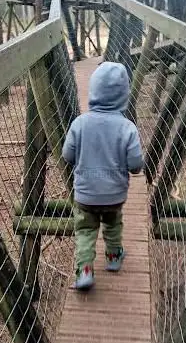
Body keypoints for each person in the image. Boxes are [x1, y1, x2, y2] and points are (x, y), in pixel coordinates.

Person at [62, 61, 144, 290]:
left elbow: (67, 155)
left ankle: (85, 270)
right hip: (114, 196)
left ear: (93, 91)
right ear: (124, 96)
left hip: (85, 196)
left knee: (86, 231)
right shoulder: (127, 127)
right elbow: (136, 165)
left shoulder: (80, 123)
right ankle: (113, 258)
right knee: (112, 224)